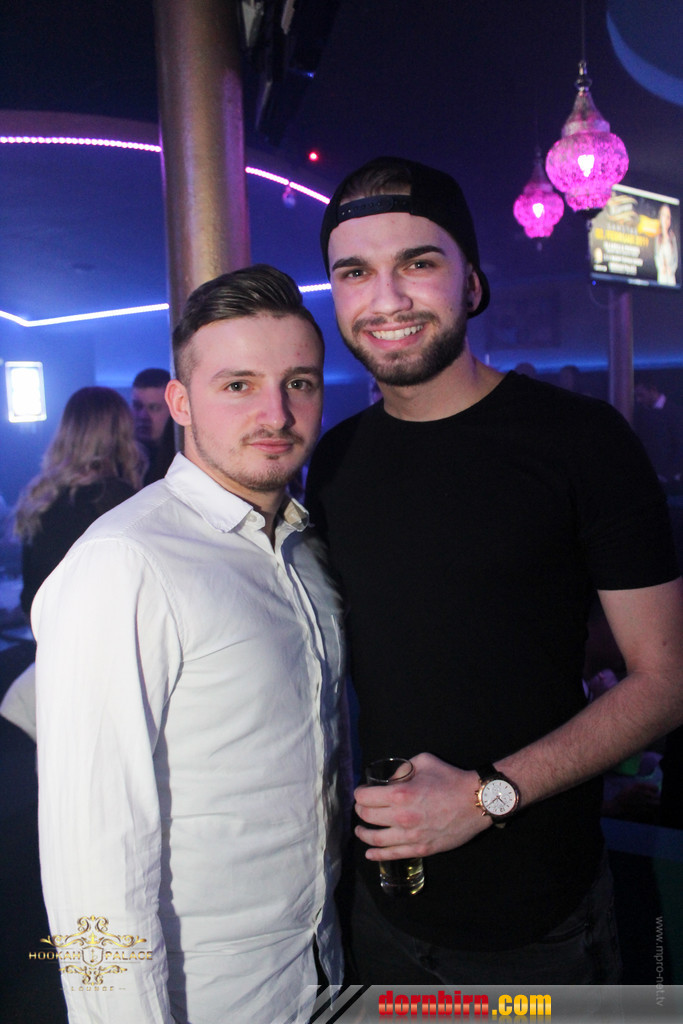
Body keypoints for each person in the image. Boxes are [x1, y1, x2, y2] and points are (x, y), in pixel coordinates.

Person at [306, 156, 683, 985]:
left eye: (417, 263)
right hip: (380, 908)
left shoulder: (581, 441)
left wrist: (485, 796)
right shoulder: (332, 462)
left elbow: (666, 682)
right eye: (354, 272)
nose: (385, 299)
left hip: (538, 920)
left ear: (471, 283)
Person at [34, 265, 347, 1023]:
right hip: (206, 997)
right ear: (180, 403)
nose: (275, 412)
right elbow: (93, 858)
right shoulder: (127, 562)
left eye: (298, 383)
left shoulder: (302, 546)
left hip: (319, 966)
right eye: (238, 385)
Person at [15, 386, 145, 617]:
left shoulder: (42, 497)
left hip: (49, 629)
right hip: (100, 629)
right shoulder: (116, 497)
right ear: (121, 434)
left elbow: (30, 596)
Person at [633, 374, 683, 491]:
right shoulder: (641, 413)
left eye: (641, 395)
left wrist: (669, 474)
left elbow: (680, 445)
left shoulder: (675, 413)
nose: (638, 400)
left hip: (670, 479)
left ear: (653, 390)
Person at [131, 367, 177, 484]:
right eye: (137, 406)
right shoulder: (123, 461)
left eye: (154, 408)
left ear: (173, 409)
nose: (143, 416)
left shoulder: (181, 462)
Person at [654, 203, 678, 286]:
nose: (665, 219)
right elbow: (656, 256)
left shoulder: (672, 237)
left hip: (671, 277)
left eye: (668, 217)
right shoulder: (657, 237)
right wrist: (661, 267)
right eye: (663, 215)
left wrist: (672, 269)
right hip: (662, 276)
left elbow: (675, 258)